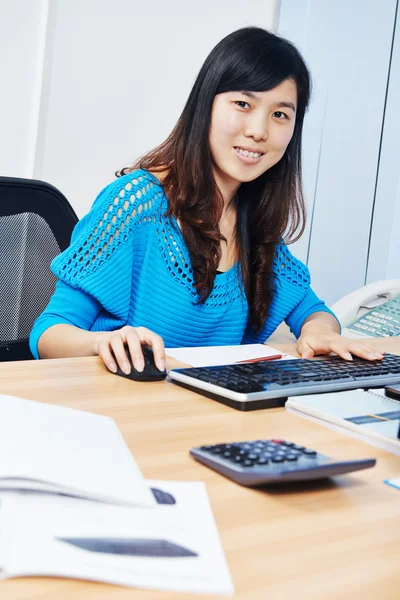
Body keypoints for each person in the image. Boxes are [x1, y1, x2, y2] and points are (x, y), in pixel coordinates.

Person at [30, 26, 385, 375]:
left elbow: (312, 309)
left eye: (280, 114)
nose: (259, 131)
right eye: (243, 104)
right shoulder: (135, 204)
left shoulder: (251, 220)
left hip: (204, 415)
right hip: (121, 410)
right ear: (206, 105)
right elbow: (49, 332)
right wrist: (100, 344)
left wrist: (318, 332)